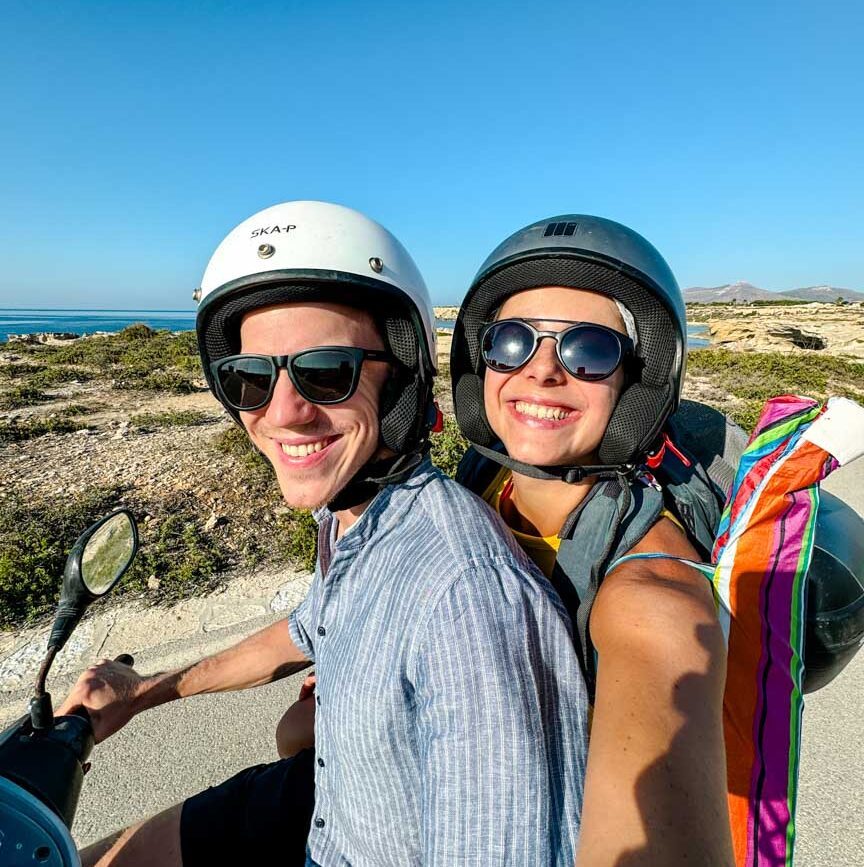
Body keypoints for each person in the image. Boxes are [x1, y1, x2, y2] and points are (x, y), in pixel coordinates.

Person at [58, 201, 588, 867]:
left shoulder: (465, 602)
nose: (284, 413)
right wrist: (146, 692)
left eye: (326, 371)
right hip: (323, 803)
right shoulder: (354, 518)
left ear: (398, 378)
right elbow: (308, 627)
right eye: (250, 378)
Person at [449, 214, 735, 865]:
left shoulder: (651, 599)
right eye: (512, 341)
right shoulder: (482, 479)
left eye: (589, 350)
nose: (543, 370)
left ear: (635, 382)